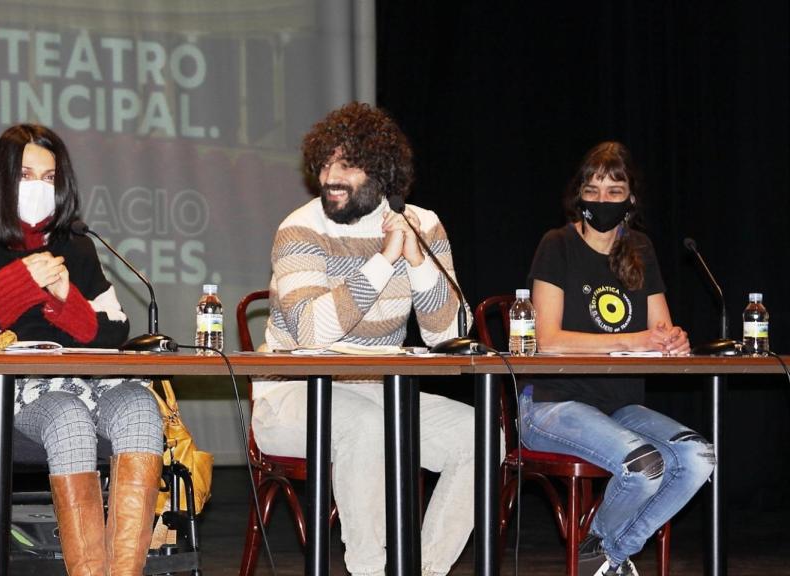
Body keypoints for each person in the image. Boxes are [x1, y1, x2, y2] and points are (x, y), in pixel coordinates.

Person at [0, 124, 163, 576]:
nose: (40, 187)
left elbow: (116, 328)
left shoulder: (76, 245)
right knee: (67, 414)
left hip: (82, 383)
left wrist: (68, 302)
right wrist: (15, 287)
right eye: (26, 174)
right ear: (0, 177)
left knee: (141, 404)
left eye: (50, 177)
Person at [254, 102, 475, 576]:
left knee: (480, 436)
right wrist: (381, 262)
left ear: (382, 175)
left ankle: (422, 569)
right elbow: (313, 331)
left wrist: (416, 262)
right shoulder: (300, 228)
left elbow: (450, 336)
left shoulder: (423, 224)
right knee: (367, 430)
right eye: (325, 163)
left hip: (379, 393)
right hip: (292, 397)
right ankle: (370, 571)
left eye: (348, 165)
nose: (331, 176)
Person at [521, 141, 715, 576]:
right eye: (592, 190)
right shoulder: (557, 245)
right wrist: (634, 340)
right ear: (578, 197)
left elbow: (659, 332)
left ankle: (603, 551)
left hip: (620, 406)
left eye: (614, 190)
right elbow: (546, 341)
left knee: (699, 457)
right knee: (645, 465)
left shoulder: (640, 248)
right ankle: (607, 555)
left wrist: (672, 342)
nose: (602, 200)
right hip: (553, 403)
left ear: (631, 199)